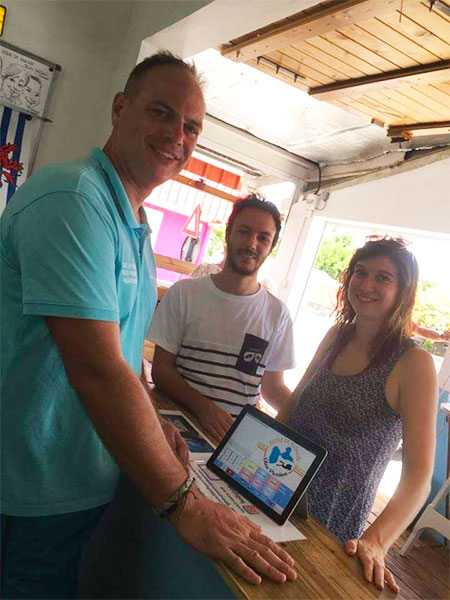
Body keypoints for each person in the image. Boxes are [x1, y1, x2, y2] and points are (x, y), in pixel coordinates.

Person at [0, 52, 296, 599]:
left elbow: (128, 357)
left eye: (191, 127)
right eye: (161, 113)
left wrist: (158, 426)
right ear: (120, 109)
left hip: (78, 480)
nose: (176, 136)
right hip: (25, 483)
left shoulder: (133, 224)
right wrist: (184, 501)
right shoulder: (75, 201)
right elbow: (96, 368)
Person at [278, 237, 437, 593]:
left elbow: (419, 475)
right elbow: (293, 405)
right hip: (276, 487)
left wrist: (377, 541)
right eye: (360, 273)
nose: (366, 285)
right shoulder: (336, 335)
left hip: (331, 520)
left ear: (403, 291)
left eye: (383, 278)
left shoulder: (414, 363)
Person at [149, 194, 296, 440]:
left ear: (271, 247)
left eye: (263, 238)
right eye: (244, 232)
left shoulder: (277, 314)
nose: (252, 243)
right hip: (174, 433)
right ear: (228, 234)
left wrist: (314, 424)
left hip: (232, 447)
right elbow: (161, 371)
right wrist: (203, 407)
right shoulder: (185, 293)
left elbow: (273, 388)